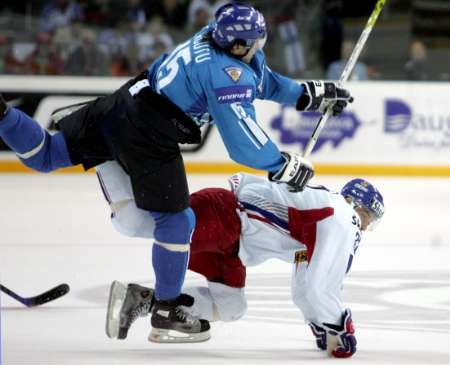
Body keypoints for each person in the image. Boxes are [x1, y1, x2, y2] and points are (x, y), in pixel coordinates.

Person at [0, 2, 353, 343]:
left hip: (123, 105)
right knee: (176, 221)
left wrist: (311, 95)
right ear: (239, 44)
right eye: (257, 42)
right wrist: (282, 166)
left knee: (45, 154)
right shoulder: (225, 73)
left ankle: (2, 114)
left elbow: (265, 82)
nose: (261, 47)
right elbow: (243, 144)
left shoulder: (213, 40)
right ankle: (167, 305)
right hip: (149, 135)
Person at [105, 171, 384, 357]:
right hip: (225, 217)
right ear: (361, 206)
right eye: (370, 216)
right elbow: (318, 286)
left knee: (231, 307)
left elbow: (305, 286)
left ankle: (142, 299)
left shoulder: (321, 214)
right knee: (138, 223)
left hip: (233, 247)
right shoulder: (344, 216)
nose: (368, 225)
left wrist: (320, 323)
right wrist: (338, 325)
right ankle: (103, 156)